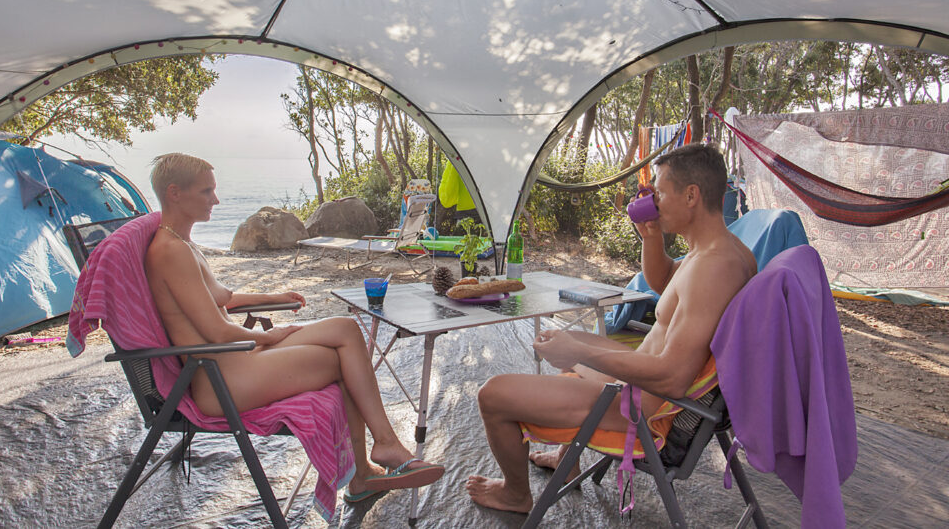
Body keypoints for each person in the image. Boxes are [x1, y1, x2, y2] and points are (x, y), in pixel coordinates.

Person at [466, 143, 756, 514]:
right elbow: (667, 281)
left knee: (494, 395)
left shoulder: (715, 267)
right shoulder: (717, 250)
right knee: (576, 341)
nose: (654, 201)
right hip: (641, 385)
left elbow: (671, 379)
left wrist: (582, 353)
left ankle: (515, 494)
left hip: (640, 405)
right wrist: (651, 237)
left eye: (660, 192)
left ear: (691, 195)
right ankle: (564, 457)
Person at [144, 153, 444, 502]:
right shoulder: (169, 251)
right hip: (221, 379)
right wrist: (267, 336)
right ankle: (367, 468)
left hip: (237, 359)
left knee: (346, 328)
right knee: (338, 361)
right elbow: (217, 332)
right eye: (207, 191)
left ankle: (383, 447)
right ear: (175, 193)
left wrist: (273, 296)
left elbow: (222, 299)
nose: (216, 199)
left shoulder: (182, 244)